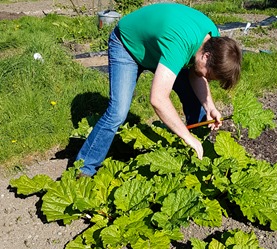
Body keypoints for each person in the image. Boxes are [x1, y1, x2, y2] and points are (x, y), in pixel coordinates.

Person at [76, 2, 242, 176]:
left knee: (196, 101)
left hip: (159, 47)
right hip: (127, 45)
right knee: (118, 112)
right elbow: (158, 99)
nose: (206, 79)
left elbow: (196, 74)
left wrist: (210, 107)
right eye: (209, 75)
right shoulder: (180, 44)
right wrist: (186, 136)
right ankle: (83, 168)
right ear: (206, 56)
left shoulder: (213, 39)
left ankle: (196, 158)